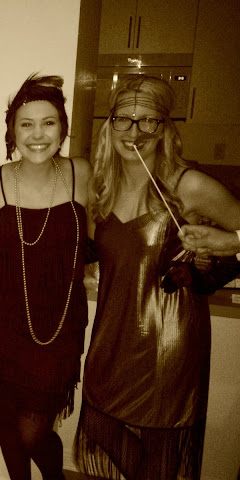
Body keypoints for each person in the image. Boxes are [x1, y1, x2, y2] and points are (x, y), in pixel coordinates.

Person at [74, 74, 240, 480]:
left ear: (164, 128)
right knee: (99, 423)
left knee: (160, 446)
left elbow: (234, 237)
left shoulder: (189, 185)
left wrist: (224, 245)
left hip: (168, 339)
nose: (135, 132)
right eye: (124, 119)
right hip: (112, 334)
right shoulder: (100, 189)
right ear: (110, 124)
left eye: (148, 120)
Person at [0, 74, 91, 480]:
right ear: (12, 132)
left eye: (48, 123)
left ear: (62, 129)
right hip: (5, 318)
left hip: (60, 320)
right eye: (26, 124)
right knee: (11, 413)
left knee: (32, 430)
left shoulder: (80, 173)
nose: (37, 134)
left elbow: (105, 232)